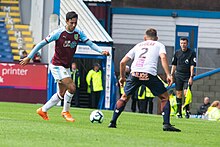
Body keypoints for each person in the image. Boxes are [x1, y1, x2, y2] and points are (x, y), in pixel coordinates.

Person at [20, 11, 109, 122]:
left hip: (66, 66)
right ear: (66, 21)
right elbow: (41, 43)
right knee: (72, 87)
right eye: (71, 23)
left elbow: (90, 43)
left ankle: (43, 110)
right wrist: (29, 57)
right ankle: (65, 111)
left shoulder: (78, 33)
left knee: (61, 94)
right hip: (57, 65)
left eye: (75, 23)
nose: (73, 25)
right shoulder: (59, 33)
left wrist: (101, 51)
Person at [108, 28, 181, 132]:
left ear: (144, 37)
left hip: (135, 74)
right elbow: (163, 58)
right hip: (148, 73)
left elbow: (122, 62)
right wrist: (168, 74)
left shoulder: (138, 45)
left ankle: (112, 122)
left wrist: (122, 77)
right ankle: (166, 124)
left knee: (124, 97)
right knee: (164, 97)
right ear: (156, 38)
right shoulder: (159, 45)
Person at [171, 37, 196, 119]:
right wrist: (171, 75)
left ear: (187, 44)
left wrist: (191, 77)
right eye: (181, 43)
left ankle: (187, 110)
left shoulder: (191, 53)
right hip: (178, 75)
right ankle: (179, 112)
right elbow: (174, 64)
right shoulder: (177, 53)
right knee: (178, 93)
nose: (183, 45)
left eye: (184, 43)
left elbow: (192, 65)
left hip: (187, 76)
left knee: (186, 93)